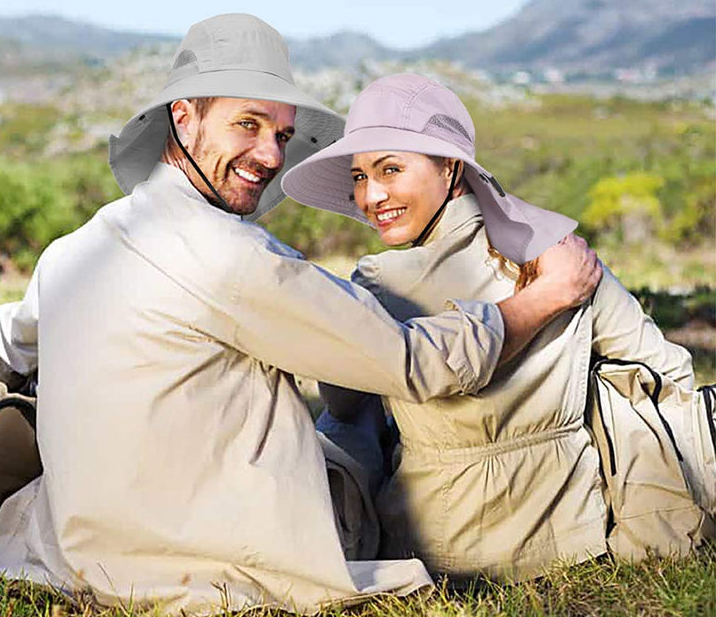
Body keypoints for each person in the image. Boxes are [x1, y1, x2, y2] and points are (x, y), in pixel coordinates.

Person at [0, 19, 600, 616]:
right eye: (248, 124)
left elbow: (0, 349)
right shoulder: (232, 258)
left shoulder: (73, 251)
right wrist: (543, 297)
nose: (269, 155)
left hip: (74, 546)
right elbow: (413, 363)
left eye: (282, 136)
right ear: (184, 117)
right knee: (364, 427)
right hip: (210, 555)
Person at [282, 73, 713, 582]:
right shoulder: (563, 258)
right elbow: (664, 368)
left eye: (390, 169)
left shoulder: (378, 281)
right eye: (359, 177)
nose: (371, 195)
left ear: (449, 169)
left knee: (348, 421)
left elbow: (342, 402)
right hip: (575, 533)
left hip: (437, 546)